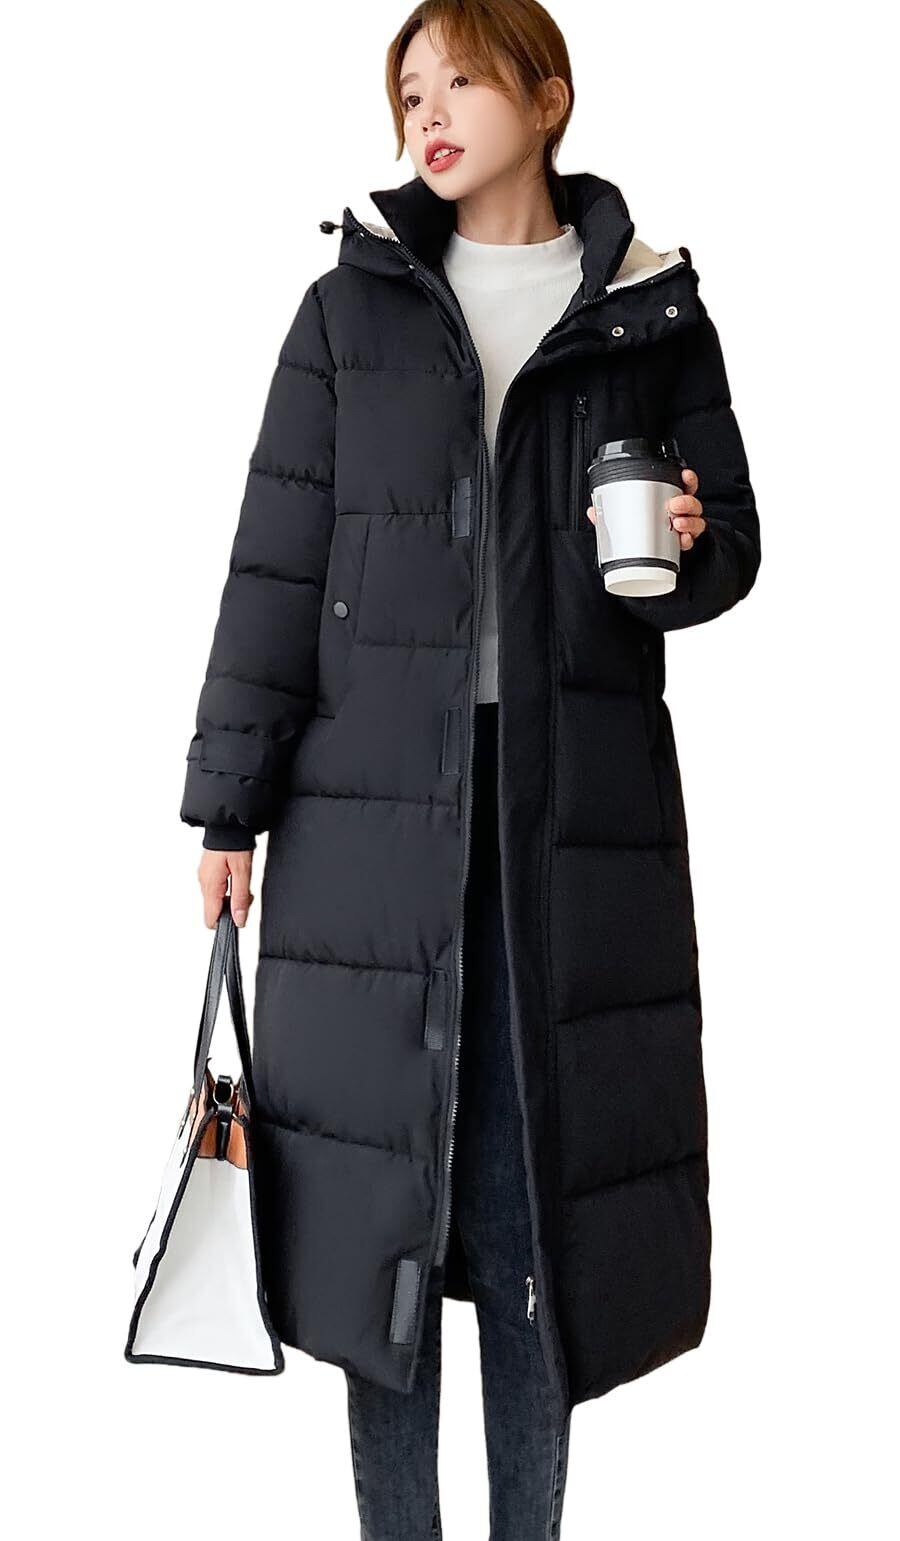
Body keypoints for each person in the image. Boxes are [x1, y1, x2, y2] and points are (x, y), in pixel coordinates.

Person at [180, 2, 760, 1536]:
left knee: (529, 1216)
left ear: (547, 98)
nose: (427, 112)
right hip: (369, 812)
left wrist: (690, 537)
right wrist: (227, 799)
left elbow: (730, 542)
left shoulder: (648, 309)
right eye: (409, 90)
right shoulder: (348, 310)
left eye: (461, 81)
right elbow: (276, 560)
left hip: (569, 812)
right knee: (384, 1211)